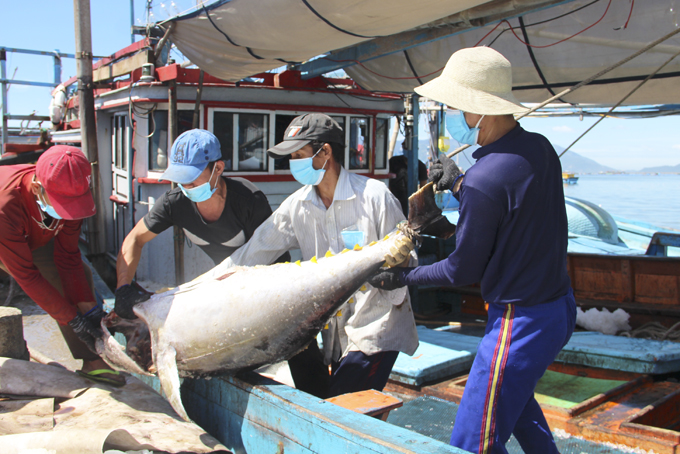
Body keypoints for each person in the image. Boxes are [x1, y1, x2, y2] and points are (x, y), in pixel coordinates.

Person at [368, 47, 576, 454]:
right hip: (559, 308)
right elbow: (511, 211)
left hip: (518, 322)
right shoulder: (541, 149)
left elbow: (460, 271)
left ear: (477, 108)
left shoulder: (484, 179)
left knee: (472, 441)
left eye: (454, 105)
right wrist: (459, 184)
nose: (451, 112)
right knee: (517, 412)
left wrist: (402, 277)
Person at [218, 113, 419, 399]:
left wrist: (397, 261)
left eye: (299, 154)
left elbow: (409, 259)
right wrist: (213, 283)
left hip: (377, 327)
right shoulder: (298, 205)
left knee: (341, 410)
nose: (293, 164)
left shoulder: (375, 196)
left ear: (325, 152)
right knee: (350, 413)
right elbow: (254, 251)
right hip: (337, 335)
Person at [114, 129, 287, 318]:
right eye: (179, 178)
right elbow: (135, 239)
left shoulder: (247, 200)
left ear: (218, 168)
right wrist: (123, 288)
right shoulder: (174, 203)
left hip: (270, 282)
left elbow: (270, 255)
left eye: (191, 177)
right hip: (224, 284)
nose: (185, 185)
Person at [0, 145, 125, 386]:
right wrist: (72, 319)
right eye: (63, 205)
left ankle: (93, 361)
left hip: (30, 233)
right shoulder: (6, 207)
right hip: (5, 232)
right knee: (49, 289)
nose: (69, 213)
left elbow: (68, 257)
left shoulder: (70, 189)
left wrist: (90, 313)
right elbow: (27, 276)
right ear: (37, 188)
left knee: (82, 277)